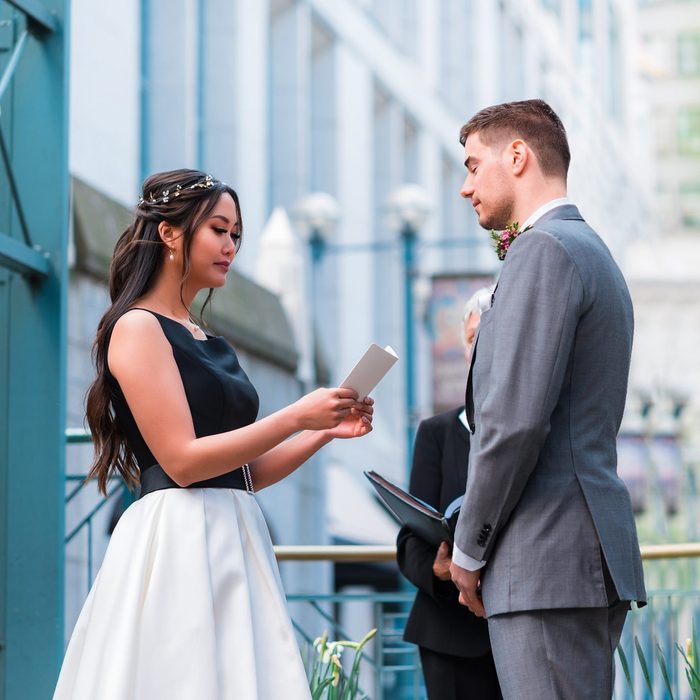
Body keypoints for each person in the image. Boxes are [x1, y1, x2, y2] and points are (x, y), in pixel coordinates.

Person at [53, 169, 374, 700]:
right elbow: (182, 462)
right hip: (178, 536)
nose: (230, 246)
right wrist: (296, 415)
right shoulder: (136, 327)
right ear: (170, 234)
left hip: (235, 530)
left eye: (236, 235)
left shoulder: (208, 339)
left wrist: (324, 432)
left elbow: (242, 475)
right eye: (219, 230)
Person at [448, 100, 646, 699]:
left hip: (545, 560)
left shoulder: (543, 251)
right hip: (577, 557)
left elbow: (512, 425)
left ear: (517, 156)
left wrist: (468, 549)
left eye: (473, 166)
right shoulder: (590, 251)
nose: (465, 187)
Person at [397, 286, 501, 700]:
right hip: (449, 635)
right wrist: (441, 570)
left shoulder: (535, 432)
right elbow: (409, 541)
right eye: (474, 338)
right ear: (463, 348)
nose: (480, 348)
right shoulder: (436, 434)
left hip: (519, 623)